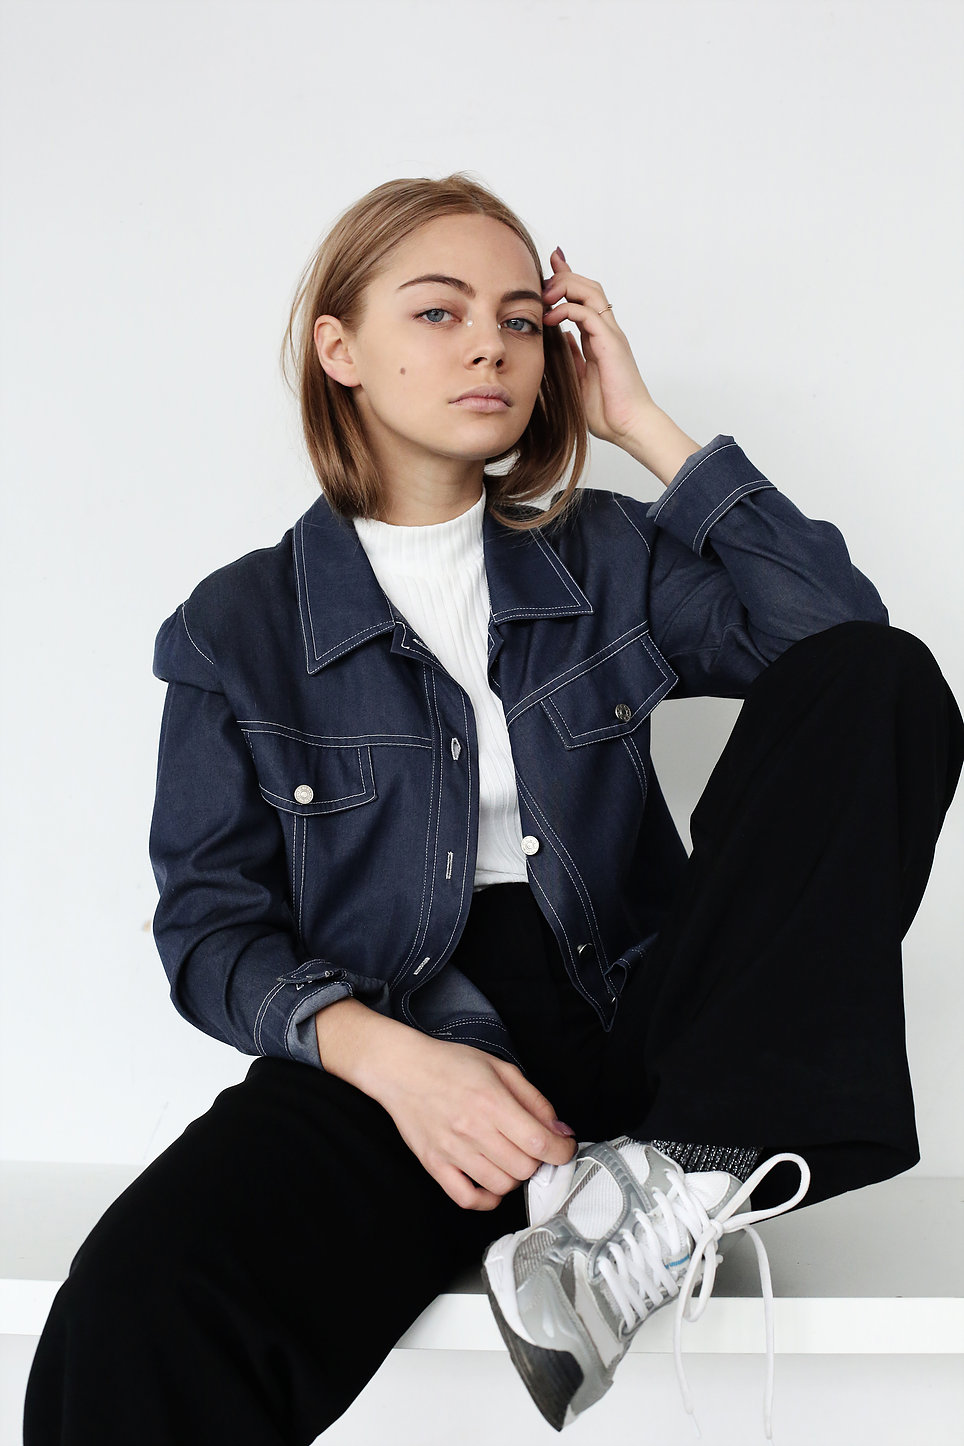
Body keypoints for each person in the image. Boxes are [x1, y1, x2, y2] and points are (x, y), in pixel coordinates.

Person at [23, 172, 963, 1446]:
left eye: (522, 320)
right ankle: (586, 1194)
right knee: (137, 1314)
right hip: (404, 1041)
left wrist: (641, 423)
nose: (490, 345)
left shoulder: (609, 554)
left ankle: (676, 1178)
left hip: (645, 1033)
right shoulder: (234, 627)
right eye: (438, 312)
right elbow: (209, 930)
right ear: (338, 349)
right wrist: (395, 1067)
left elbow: (838, 642)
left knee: (879, 674)